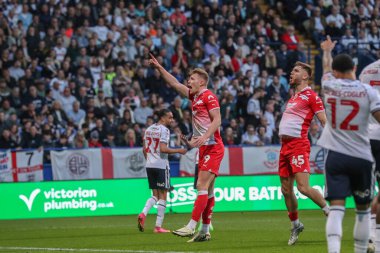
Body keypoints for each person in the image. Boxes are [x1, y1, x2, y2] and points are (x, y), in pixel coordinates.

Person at [149, 54, 224, 242]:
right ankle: (205, 230)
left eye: (192, 78)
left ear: (201, 81)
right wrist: (160, 68)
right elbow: (174, 84)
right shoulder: (195, 96)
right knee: (209, 190)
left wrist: (205, 137)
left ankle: (191, 226)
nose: (188, 81)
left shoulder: (208, 96)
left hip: (213, 146)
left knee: (200, 185)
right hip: (204, 147)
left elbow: (217, 120)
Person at [319, 36, 380, 253]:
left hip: (335, 156)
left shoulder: (329, 86)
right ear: (354, 68)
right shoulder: (368, 92)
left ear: (335, 71)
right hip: (362, 156)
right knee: (362, 211)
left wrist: (327, 51)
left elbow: (326, 68)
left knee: (336, 209)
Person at [278, 61, 330, 246]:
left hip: (298, 145)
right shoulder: (293, 97)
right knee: (285, 190)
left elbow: (324, 121)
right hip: (284, 147)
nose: (292, 73)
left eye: (296, 71)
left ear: (305, 76)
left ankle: (329, 212)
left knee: (302, 187)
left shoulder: (312, 96)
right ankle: (296, 224)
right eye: (292, 70)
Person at [138, 109, 187, 233]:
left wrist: (149, 161)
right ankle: (158, 227)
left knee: (155, 195)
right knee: (163, 195)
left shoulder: (148, 129)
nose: (172, 120)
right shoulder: (164, 130)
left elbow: (144, 149)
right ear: (163, 118)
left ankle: (143, 213)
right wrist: (179, 150)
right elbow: (163, 149)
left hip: (149, 165)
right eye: (170, 117)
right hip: (161, 165)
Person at [358, 60, 380, 252]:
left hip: (367, 135)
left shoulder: (366, 70)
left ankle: (371, 235)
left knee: (369, 189)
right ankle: (374, 236)